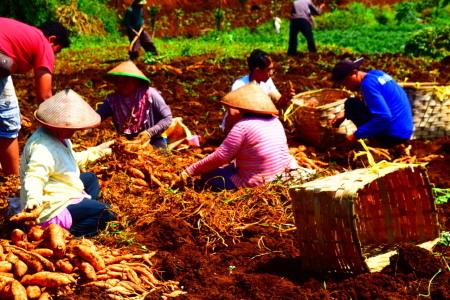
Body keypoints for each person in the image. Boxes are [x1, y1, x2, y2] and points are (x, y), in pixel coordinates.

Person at [180, 83, 313, 191]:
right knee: (231, 166)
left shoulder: (242, 127)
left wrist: (189, 171)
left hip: (258, 184)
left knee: (208, 176)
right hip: (282, 176)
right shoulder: (275, 121)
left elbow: (220, 157)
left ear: (243, 109)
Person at [20, 88, 115, 237]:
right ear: (54, 124)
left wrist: (98, 151)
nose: (73, 132)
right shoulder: (42, 148)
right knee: (106, 213)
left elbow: (69, 161)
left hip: (61, 189)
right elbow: (35, 176)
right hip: (49, 209)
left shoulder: (59, 135)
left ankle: (82, 212)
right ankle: (65, 235)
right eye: (70, 129)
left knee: (90, 178)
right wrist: (33, 200)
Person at [0, 18, 70, 177]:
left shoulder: (23, 35)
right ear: (52, 40)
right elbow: (44, 96)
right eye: (57, 51)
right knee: (8, 124)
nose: (54, 56)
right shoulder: (43, 43)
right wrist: (57, 129)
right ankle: (14, 181)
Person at [330, 58, 414, 149]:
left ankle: (378, 144)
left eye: (347, 83)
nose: (347, 88)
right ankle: (379, 141)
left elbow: (384, 116)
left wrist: (356, 135)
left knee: (351, 103)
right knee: (352, 106)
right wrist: (346, 113)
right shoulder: (377, 74)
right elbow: (375, 104)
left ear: (355, 73)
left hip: (392, 135)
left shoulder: (367, 85)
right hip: (404, 131)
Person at [97, 61, 172, 151]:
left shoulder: (149, 94)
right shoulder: (113, 100)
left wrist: (149, 133)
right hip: (126, 141)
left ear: (136, 81)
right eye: (119, 81)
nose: (122, 84)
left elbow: (167, 118)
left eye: (126, 81)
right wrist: (85, 129)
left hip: (153, 138)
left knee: (158, 155)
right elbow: (97, 118)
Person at [222, 49, 295, 134]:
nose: (271, 73)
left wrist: (284, 99)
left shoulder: (267, 81)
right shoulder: (240, 85)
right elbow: (234, 113)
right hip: (239, 128)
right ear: (257, 71)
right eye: (268, 70)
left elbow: (275, 106)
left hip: (256, 124)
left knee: (273, 95)